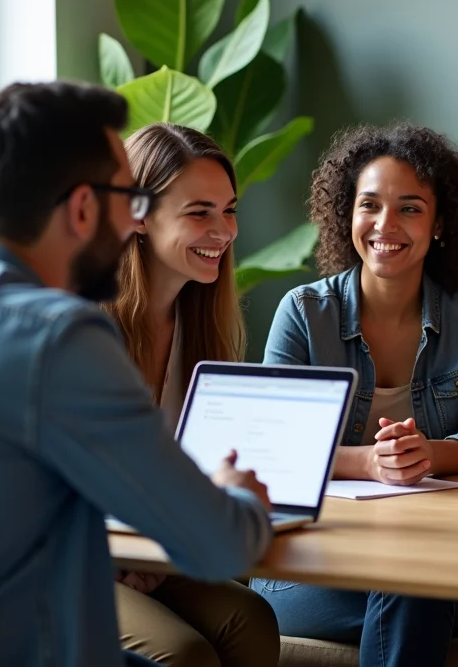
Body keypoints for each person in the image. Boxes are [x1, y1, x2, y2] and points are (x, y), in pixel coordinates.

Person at [0, 82, 276, 667]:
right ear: (85, 209)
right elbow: (218, 543)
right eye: (126, 201)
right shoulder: (59, 337)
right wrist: (237, 496)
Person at [254, 122, 458, 667]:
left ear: (440, 223)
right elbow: (273, 454)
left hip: (427, 560)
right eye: (369, 205)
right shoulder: (303, 313)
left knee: (413, 584)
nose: (385, 225)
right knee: (415, 592)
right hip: (306, 567)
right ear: (346, 214)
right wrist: (372, 463)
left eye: (410, 208)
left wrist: (430, 455)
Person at [104, 123, 280, 667]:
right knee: (183, 653)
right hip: (64, 557)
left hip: (154, 550)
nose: (223, 231)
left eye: (229, 210)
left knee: (250, 618)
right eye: (199, 212)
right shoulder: (84, 327)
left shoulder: (200, 326)